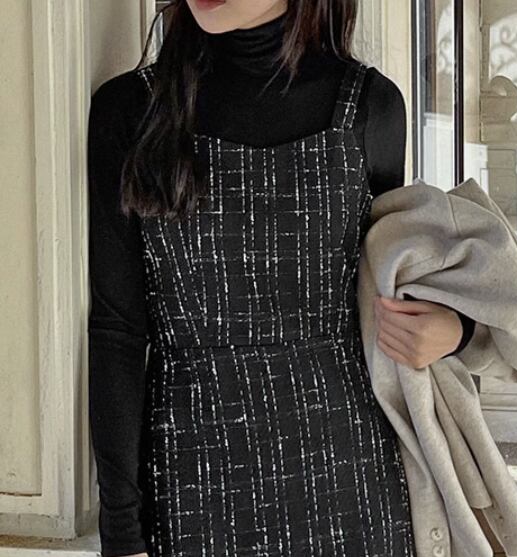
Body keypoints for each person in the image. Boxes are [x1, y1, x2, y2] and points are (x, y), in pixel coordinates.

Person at [87, 1, 476, 556]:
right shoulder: (132, 111)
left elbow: (394, 279)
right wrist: (121, 533)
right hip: (192, 485)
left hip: (354, 480)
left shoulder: (371, 106)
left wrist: (456, 328)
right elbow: (117, 332)